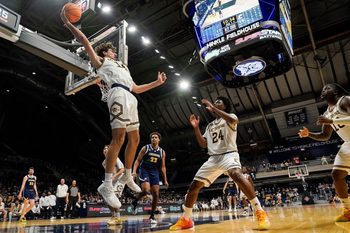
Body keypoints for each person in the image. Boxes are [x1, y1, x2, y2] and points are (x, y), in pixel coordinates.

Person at [60, 7, 167, 209]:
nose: (114, 51)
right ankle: (107, 185)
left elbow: (136, 88)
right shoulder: (101, 62)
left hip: (130, 97)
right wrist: (68, 24)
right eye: (111, 50)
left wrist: (156, 83)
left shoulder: (124, 67)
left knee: (134, 138)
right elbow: (84, 40)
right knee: (118, 138)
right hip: (117, 94)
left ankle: (127, 174)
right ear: (104, 52)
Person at [169, 97, 270, 230]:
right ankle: (186, 219)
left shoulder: (230, 117)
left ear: (225, 106)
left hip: (229, 154)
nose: (216, 103)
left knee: (237, 175)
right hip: (213, 158)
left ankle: (259, 211)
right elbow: (203, 144)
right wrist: (196, 128)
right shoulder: (210, 125)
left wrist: (213, 107)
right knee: (194, 186)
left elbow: (234, 120)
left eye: (218, 102)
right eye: (215, 102)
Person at [298, 83, 350, 222]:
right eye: (323, 88)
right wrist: (308, 134)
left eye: (328, 88)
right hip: (348, 144)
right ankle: (348, 210)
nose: (324, 89)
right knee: (337, 175)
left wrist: (332, 120)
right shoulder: (326, 113)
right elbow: (325, 136)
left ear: (336, 91)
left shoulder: (345, 100)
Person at [132, 132, 169, 224]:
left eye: (155, 137)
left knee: (156, 193)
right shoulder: (145, 148)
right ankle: (135, 201)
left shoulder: (162, 152)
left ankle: (152, 215)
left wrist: (165, 179)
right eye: (152, 137)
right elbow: (137, 160)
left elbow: (163, 167)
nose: (153, 138)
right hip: (144, 170)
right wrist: (134, 171)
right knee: (146, 190)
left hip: (155, 172)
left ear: (159, 139)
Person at [102, 145, 125, 226]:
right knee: (107, 200)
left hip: (119, 181)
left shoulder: (115, 158)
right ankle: (114, 216)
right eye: (104, 149)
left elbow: (122, 169)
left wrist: (114, 177)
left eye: (107, 148)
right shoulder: (104, 163)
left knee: (113, 198)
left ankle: (118, 218)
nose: (105, 150)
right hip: (110, 182)